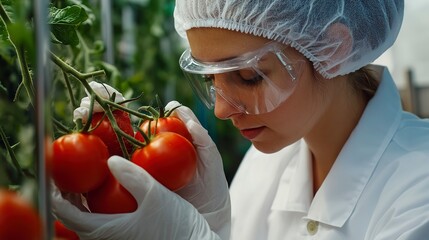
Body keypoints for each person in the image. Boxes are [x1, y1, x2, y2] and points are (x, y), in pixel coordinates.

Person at [52, 0, 429, 239]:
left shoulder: (417, 193)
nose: (219, 110)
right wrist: (210, 223)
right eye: (209, 79)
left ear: (335, 48)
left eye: (248, 76)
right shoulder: (269, 164)